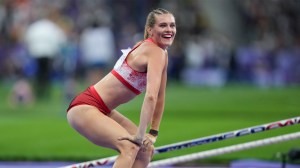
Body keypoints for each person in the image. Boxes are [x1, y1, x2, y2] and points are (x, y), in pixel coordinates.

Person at [66, 8, 176, 168]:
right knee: (130, 147)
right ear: (150, 30)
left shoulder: (161, 54)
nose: (169, 30)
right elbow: (151, 96)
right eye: (163, 25)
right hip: (86, 106)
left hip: (104, 109)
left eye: (172, 25)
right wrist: (140, 133)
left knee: (144, 150)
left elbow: (159, 97)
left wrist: (152, 133)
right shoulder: (154, 52)